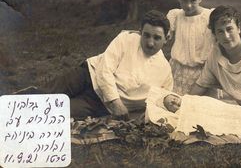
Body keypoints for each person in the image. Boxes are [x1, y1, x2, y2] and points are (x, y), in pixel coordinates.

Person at [15, 10, 173, 120]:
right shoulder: (126, 39)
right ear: (140, 32)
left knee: (55, 111)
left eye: (157, 38)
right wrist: (115, 101)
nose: (150, 43)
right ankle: (7, 107)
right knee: (45, 93)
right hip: (88, 75)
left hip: (98, 104)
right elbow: (104, 70)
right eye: (146, 35)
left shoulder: (164, 71)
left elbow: (161, 100)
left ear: (167, 38)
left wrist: (167, 102)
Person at [167, 0, 241, 96]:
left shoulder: (209, 15)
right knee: (179, 105)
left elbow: (228, 27)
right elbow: (162, 30)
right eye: (184, 0)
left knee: (204, 108)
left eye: (193, 1)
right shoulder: (175, 15)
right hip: (178, 70)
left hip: (204, 71)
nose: (188, 5)